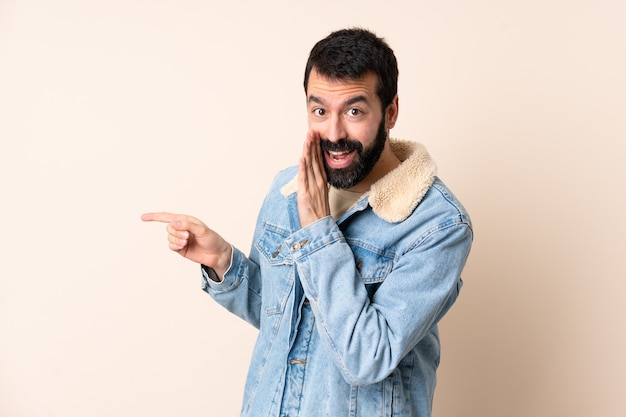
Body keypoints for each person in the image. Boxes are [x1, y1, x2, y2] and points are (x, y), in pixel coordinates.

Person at [142, 28, 473, 417]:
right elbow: (284, 319)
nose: (334, 133)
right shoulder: (288, 189)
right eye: (320, 111)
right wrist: (224, 263)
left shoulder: (437, 225)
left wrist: (319, 231)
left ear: (391, 112)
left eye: (354, 111)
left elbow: (367, 358)